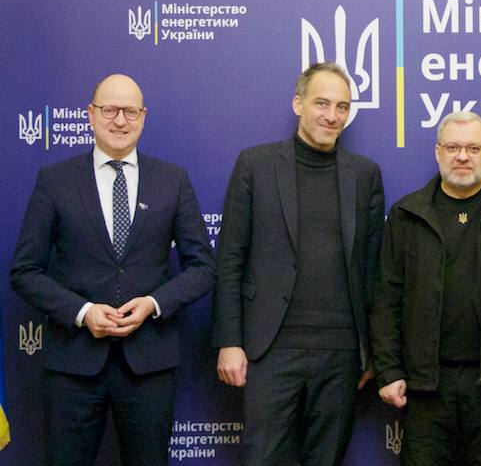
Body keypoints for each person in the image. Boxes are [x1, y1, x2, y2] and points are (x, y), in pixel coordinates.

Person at [10, 74, 215, 465]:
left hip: (149, 366)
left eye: (130, 112)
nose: (120, 121)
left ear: (143, 116)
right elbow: (24, 271)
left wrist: (154, 303)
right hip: (73, 366)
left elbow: (203, 267)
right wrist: (83, 312)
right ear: (90, 114)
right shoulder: (55, 181)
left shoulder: (172, 181)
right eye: (110, 110)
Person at [212, 63, 384, 465]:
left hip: (341, 354)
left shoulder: (365, 175)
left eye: (342, 107)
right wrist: (229, 341)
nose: (332, 115)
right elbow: (230, 257)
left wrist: (371, 352)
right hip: (270, 350)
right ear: (298, 104)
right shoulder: (255, 165)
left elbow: (373, 271)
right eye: (322, 103)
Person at [371, 111, 481, 466]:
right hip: (425, 386)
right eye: (453, 147)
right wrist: (389, 371)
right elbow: (386, 300)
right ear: (438, 152)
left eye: (473, 148)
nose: (463, 156)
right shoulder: (407, 214)